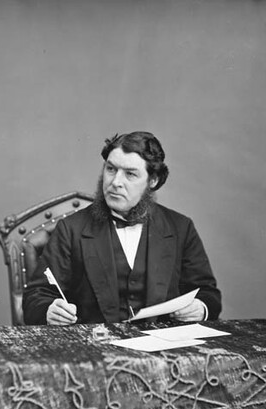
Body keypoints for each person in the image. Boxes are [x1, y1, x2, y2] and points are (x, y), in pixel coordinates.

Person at [23, 131, 221, 325]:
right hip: (95, 343)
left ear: (153, 181)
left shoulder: (180, 228)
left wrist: (201, 307)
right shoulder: (71, 229)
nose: (115, 182)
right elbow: (36, 296)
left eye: (130, 174)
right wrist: (50, 310)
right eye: (111, 169)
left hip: (162, 344)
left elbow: (207, 293)